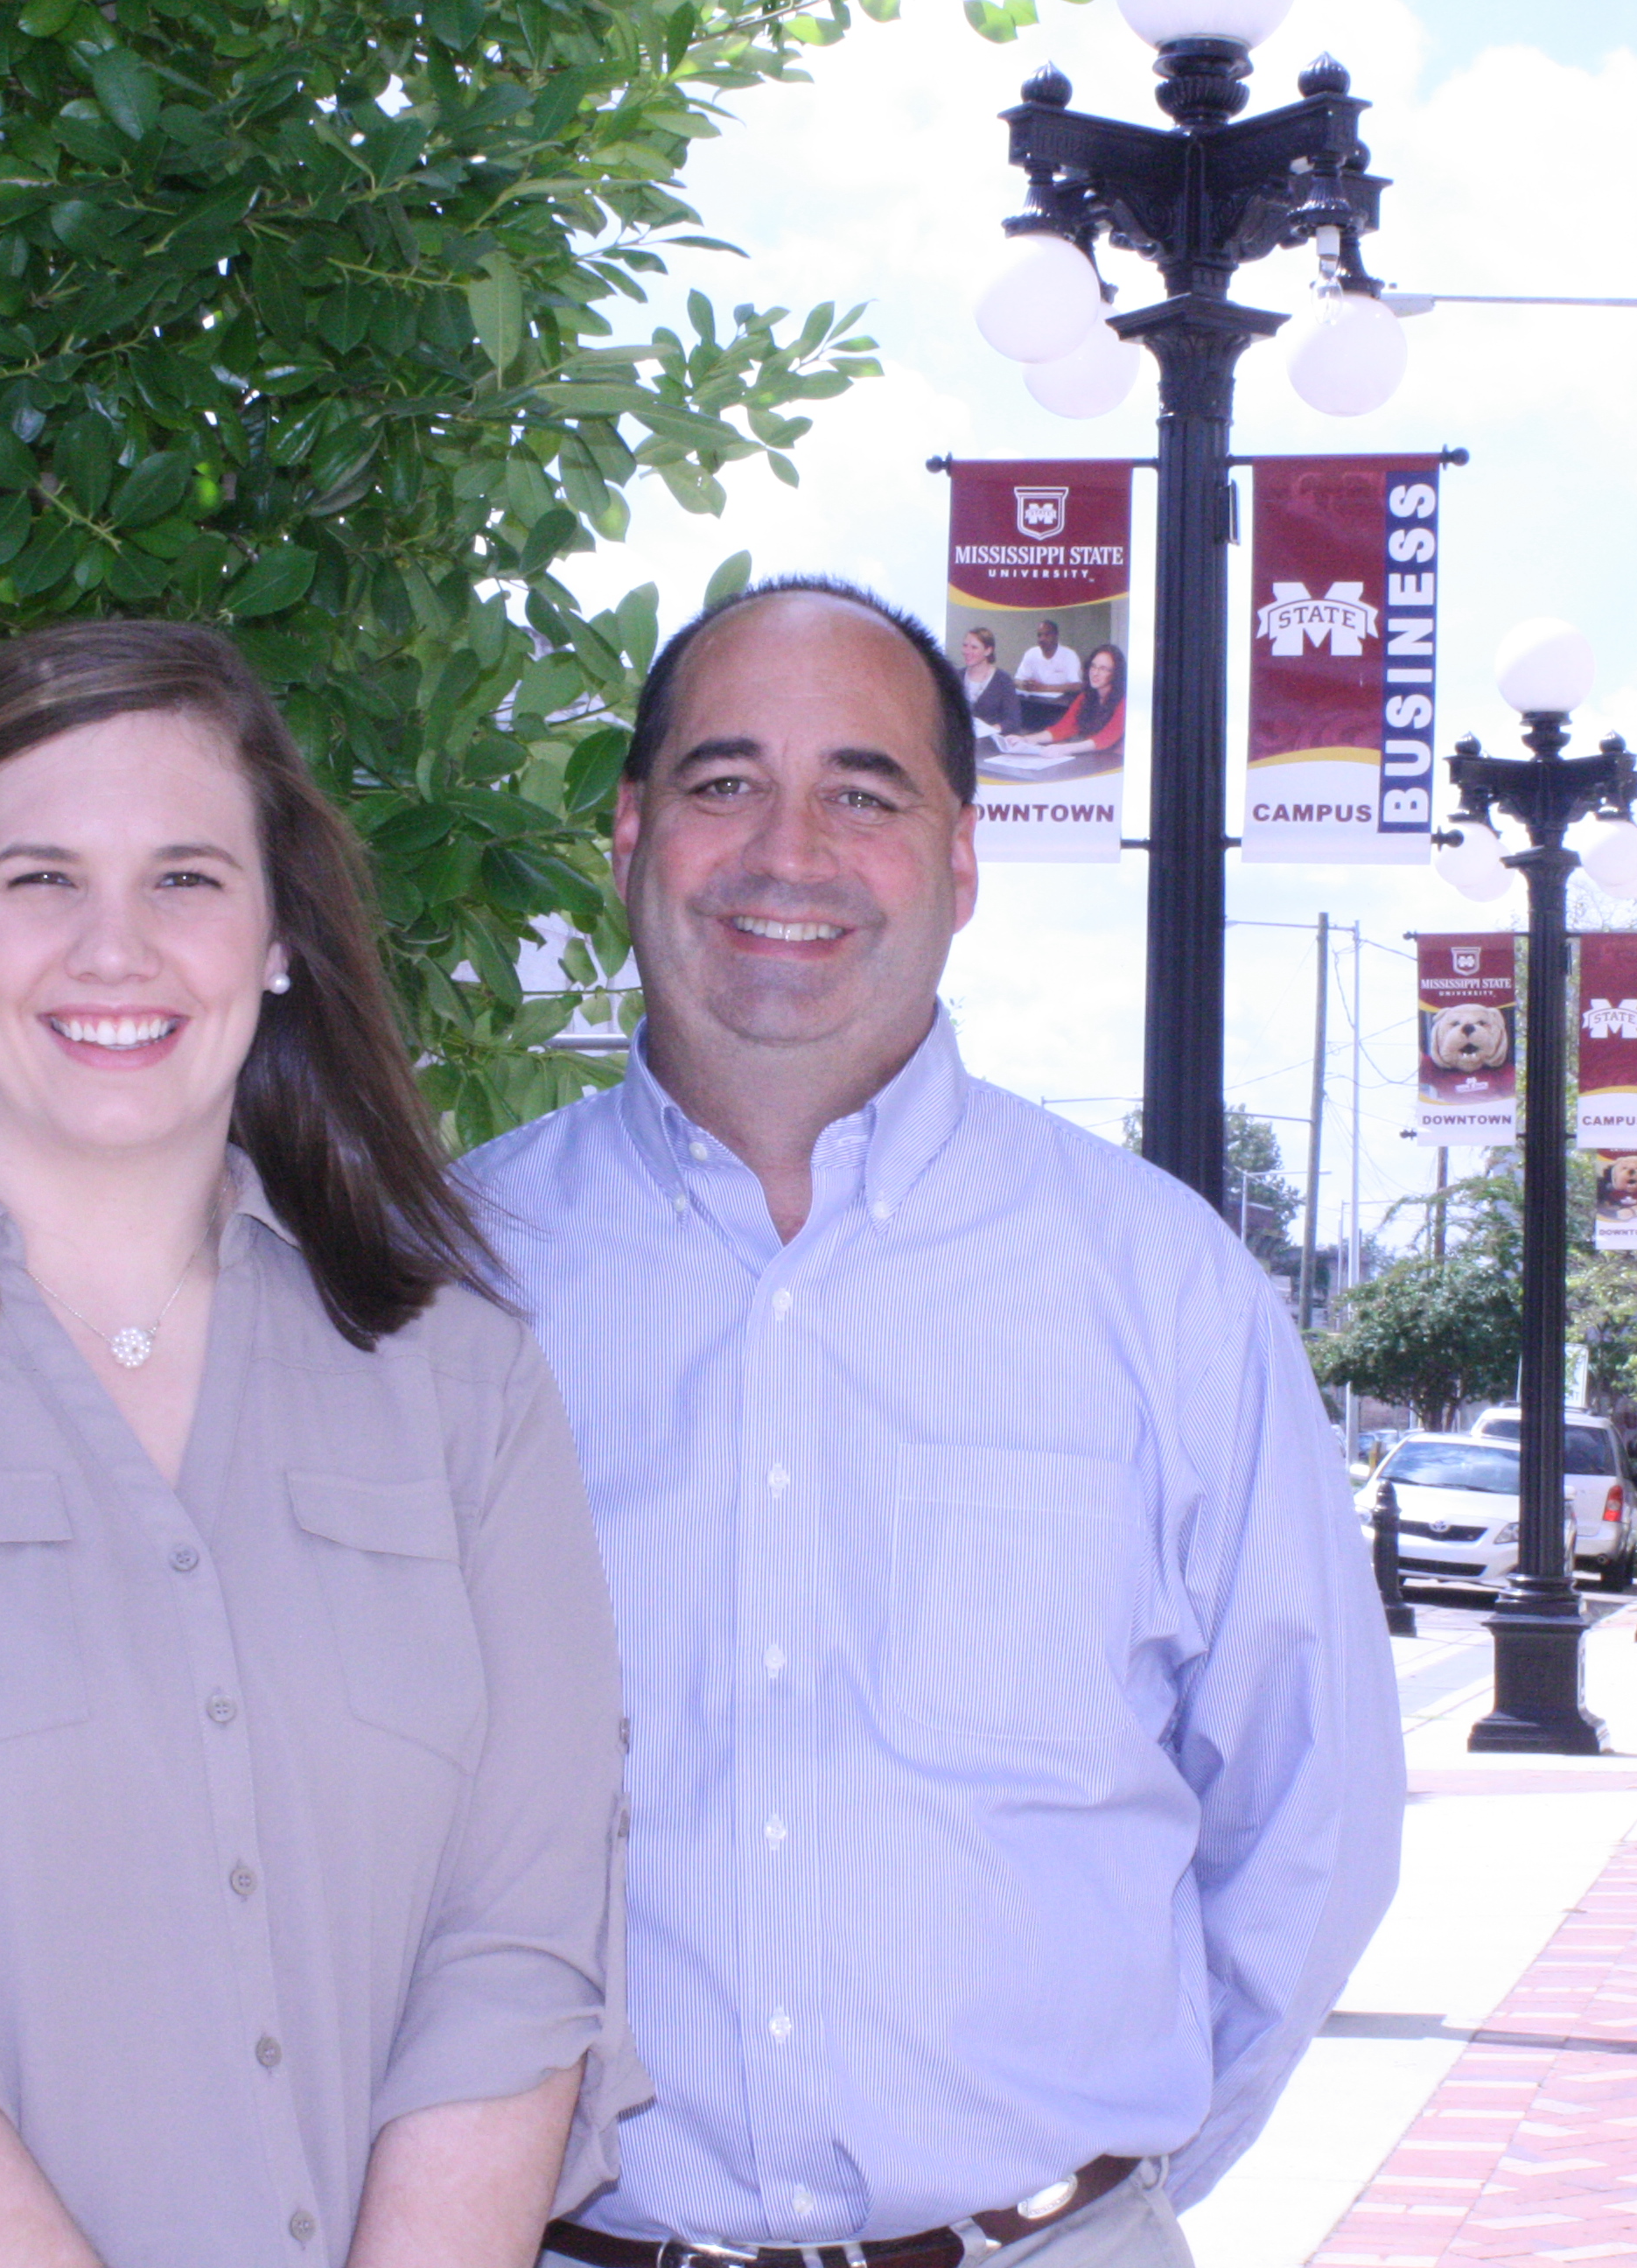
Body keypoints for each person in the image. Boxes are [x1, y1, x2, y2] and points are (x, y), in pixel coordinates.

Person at [0, 620, 640, 2268]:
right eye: (41, 877)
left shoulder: (467, 1389)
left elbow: (515, 1959)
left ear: (280, 937)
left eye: (187, 879)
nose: (115, 948)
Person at [467, 579, 1403, 2268]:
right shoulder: (449, 1281)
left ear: (959, 860)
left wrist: (1086, 2204)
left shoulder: (1156, 1290)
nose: (789, 851)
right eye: (723, 781)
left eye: (864, 791)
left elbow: (1306, 1829)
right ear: (627, 833)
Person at [1021, 640, 1128, 758]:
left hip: (1118, 761)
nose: (1095, 673)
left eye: (1103, 669)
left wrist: (1065, 748)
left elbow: (1106, 737)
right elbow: (1064, 728)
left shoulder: (1125, 701)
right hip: (1094, 757)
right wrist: (1027, 739)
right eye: (1093, 666)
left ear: (1115, 673)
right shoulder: (1085, 697)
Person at [1011, 615, 1084, 729]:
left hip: (1058, 706)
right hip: (1033, 703)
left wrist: (1044, 688)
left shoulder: (1069, 655)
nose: (1042, 639)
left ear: (1056, 636)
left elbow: (1077, 686)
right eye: (1039, 635)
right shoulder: (1031, 653)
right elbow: (1016, 681)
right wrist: (1025, 685)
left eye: (1047, 634)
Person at [958, 626, 1023, 735]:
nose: (967, 651)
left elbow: (1013, 721)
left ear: (988, 651)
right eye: (965, 646)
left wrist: (990, 730)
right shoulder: (955, 677)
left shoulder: (1003, 680)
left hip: (991, 741)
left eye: (974, 647)